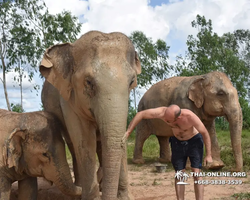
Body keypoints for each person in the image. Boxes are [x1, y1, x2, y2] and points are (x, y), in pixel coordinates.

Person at [123, 104, 213, 200]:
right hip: (177, 142)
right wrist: (128, 131)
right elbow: (141, 114)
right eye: (165, 118)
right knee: (179, 174)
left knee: (196, 173)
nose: (166, 121)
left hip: (194, 141)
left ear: (178, 117)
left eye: (169, 120)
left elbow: (204, 133)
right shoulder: (162, 112)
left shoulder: (189, 116)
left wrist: (209, 155)